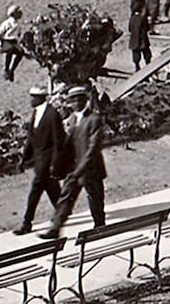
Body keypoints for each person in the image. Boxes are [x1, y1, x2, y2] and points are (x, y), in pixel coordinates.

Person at [42, 85, 105, 237]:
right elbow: (67, 145)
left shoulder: (94, 119)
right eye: (72, 100)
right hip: (74, 168)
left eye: (79, 99)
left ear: (85, 100)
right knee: (65, 198)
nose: (76, 103)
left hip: (91, 169)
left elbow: (93, 148)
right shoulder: (71, 120)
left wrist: (81, 169)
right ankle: (55, 228)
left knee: (95, 199)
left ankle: (100, 226)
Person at [15, 84, 67, 235]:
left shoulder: (52, 115)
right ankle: (61, 214)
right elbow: (31, 139)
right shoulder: (36, 113)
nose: (30, 100)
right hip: (39, 162)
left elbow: (59, 142)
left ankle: (27, 223)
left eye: (33, 97)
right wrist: (24, 160)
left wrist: (55, 164)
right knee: (53, 192)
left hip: (47, 162)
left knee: (35, 191)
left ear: (40, 98)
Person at [0, 5, 25, 81]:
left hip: (13, 43)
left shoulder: (18, 23)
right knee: (10, 50)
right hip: (4, 42)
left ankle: (12, 70)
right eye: (18, 12)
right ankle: (6, 69)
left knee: (21, 53)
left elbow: (18, 35)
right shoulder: (7, 23)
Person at [127, 2, 152, 71]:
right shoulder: (142, 18)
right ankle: (148, 66)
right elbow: (147, 28)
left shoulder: (132, 18)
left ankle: (137, 67)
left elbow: (129, 29)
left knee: (136, 55)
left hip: (134, 40)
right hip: (142, 39)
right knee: (147, 54)